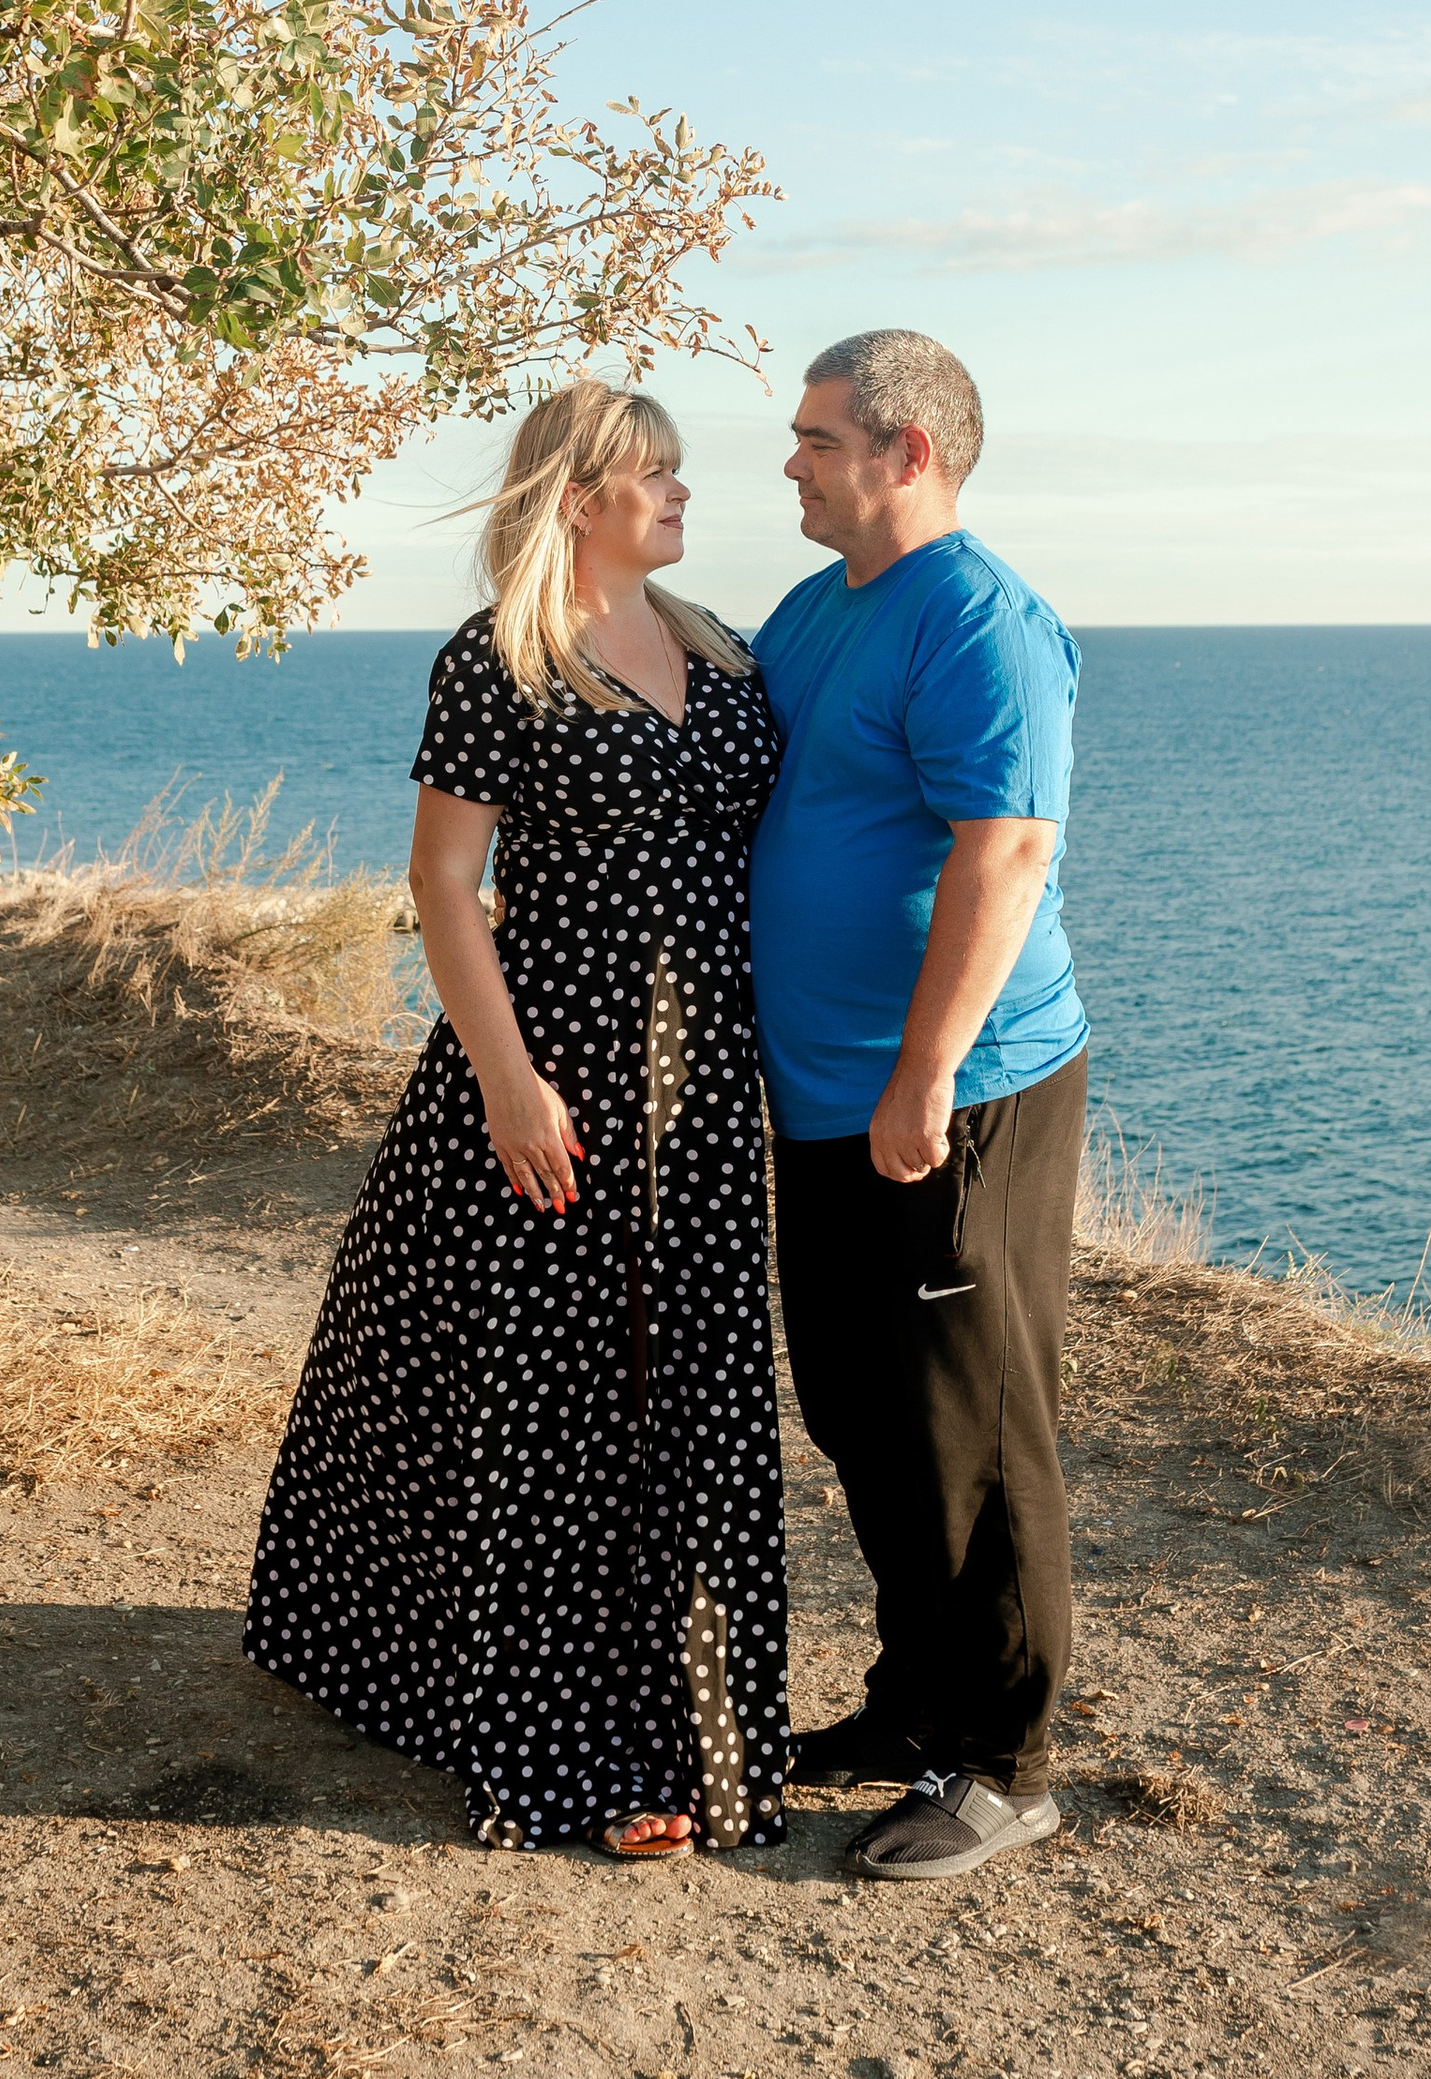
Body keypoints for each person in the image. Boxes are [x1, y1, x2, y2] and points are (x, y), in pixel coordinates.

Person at [245, 380, 790, 1859]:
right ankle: (582, 1757)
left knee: (696, 1405)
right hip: (555, 1075)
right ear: (576, 497)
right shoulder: (497, 663)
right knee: (557, 1416)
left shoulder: (722, 653)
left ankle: (706, 1727)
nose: (684, 498)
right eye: (655, 476)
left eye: (682, 475)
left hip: (705, 1083)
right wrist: (507, 1079)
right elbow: (441, 885)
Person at [749, 329, 1089, 1882]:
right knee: (864, 1412)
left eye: (818, 438)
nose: (793, 464)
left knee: (973, 1427)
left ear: (910, 453)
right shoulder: (816, 613)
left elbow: (1003, 855)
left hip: (956, 1094)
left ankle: (1002, 1762)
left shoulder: (982, 622)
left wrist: (926, 1074)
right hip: (823, 1094)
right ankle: (911, 1705)